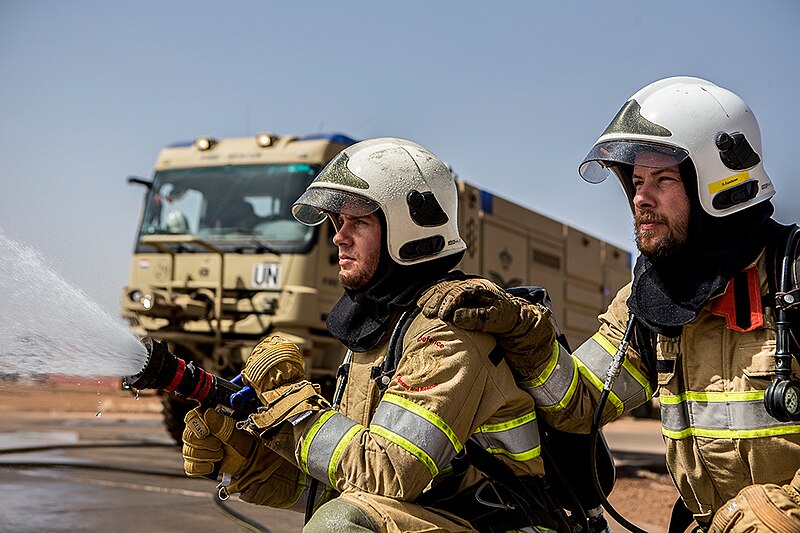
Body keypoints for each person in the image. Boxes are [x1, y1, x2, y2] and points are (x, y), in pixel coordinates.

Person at [420, 77, 800, 532]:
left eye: (662, 179)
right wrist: (527, 333)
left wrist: (784, 511)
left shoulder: (791, 276)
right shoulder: (650, 301)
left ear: (721, 184)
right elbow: (580, 404)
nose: (641, 197)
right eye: (636, 181)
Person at [180, 138, 563, 532]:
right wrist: (249, 464)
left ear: (410, 229)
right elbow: (350, 480)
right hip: (440, 518)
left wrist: (290, 407)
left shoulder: (449, 337)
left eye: (358, 222)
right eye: (336, 221)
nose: (338, 237)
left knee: (339, 527)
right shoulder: (381, 332)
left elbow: (385, 478)